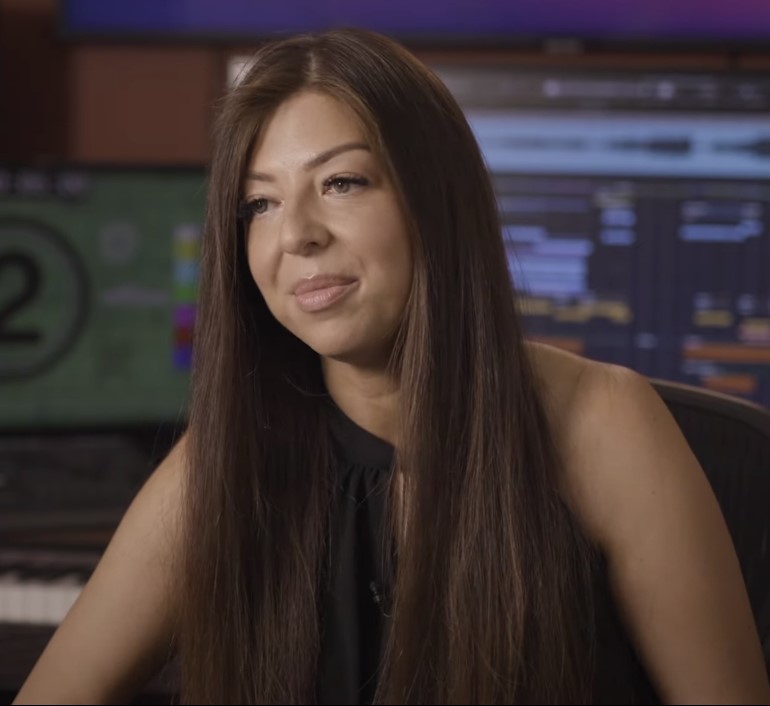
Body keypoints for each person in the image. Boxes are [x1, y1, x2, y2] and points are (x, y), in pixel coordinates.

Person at [13, 28, 770, 705]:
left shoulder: (604, 423)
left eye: (342, 183)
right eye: (260, 205)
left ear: (434, 201)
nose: (297, 236)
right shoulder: (222, 458)